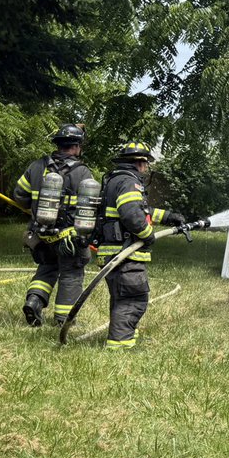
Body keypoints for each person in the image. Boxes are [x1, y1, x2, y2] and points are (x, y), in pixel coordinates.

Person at [95, 141, 185, 350]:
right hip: (125, 252)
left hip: (113, 252)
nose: (146, 169)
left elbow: (142, 210)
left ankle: (124, 336)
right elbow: (131, 214)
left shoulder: (116, 180)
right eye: (145, 164)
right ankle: (120, 345)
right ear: (139, 163)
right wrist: (148, 235)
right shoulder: (129, 182)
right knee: (133, 298)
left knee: (122, 297)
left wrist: (169, 217)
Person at [12, 124, 95, 327]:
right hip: (69, 238)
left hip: (39, 234)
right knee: (71, 273)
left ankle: (34, 300)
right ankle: (63, 320)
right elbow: (89, 209)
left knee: (47, 267)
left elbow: (19, 196)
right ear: (76, 147)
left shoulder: (36, 166)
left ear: (57, 145)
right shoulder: (83, 173)